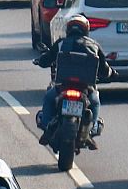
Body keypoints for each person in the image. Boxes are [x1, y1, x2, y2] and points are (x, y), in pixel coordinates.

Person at [34, 15, 115, 146]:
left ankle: (47, 126)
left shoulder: (61, 43)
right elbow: (104, 70)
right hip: (86, 89)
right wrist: (112, 73)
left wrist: (40, 61)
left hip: (63, 86)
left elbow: (46, 59)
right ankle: (92, 130)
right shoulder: (93, 45)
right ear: (86, 30)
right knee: (95, 102)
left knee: (49, 98)